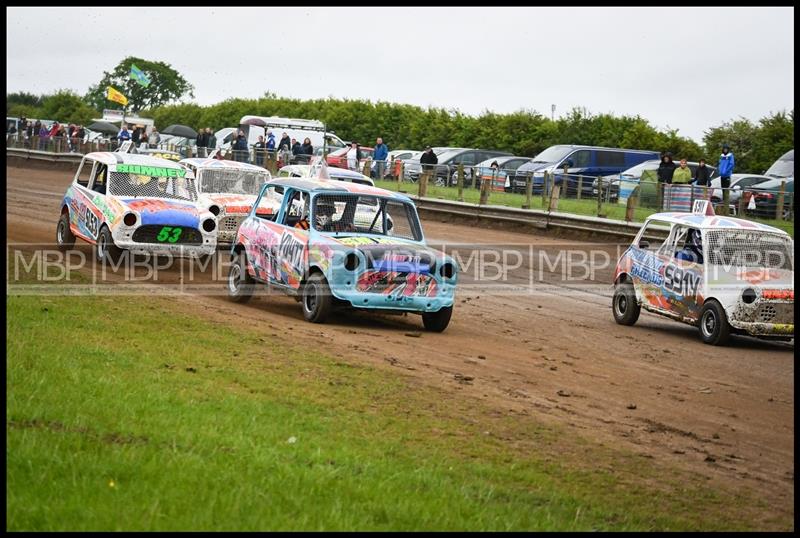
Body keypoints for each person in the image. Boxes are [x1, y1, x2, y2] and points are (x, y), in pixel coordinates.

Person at [718, 143, 735, 215]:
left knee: (726, 190)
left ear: (728, 150)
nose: (725, 150)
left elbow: (732, 164)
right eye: (724, 149)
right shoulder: (721, 156)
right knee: (722, 189)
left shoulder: (730, 155)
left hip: (727, 175)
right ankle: (723, 203)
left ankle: (726, 205)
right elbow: (719, 163)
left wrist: (726, 171)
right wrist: (720, 170)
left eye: (726, 149)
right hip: (722, 175)